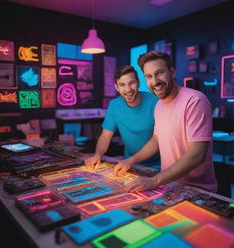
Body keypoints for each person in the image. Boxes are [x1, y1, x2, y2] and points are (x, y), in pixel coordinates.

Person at [114, 51, 217, 193]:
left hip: (197, 191)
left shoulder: (195, 101)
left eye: (159, 73)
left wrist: (155, 180)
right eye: (149, 76)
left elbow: (197, 154)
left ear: (172, 72)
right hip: (168, 185)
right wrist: (130, 160)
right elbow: (156, 141)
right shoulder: (159, 105)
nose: (155, 81)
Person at [85, 65, 160, 170]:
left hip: (158, 165)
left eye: (131, 83)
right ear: (117, 87)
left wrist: (131, 160)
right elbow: (105, 136)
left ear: (138, 83)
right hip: (129, 165)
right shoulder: (114, 106)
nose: (128, 89)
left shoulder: (156, 102)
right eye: (122, 85)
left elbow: (157, 141)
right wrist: (98, 154)